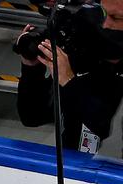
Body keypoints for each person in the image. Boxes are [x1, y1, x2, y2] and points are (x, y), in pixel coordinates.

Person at [16, 0, 123, 153]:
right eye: (104, 14)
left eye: (116, 18)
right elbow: (32, 116)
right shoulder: (82, 57)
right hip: (72, 166)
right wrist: (31, 68)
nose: (106, 25)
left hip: (111, 171)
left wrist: (69, 82)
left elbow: (106, 127)